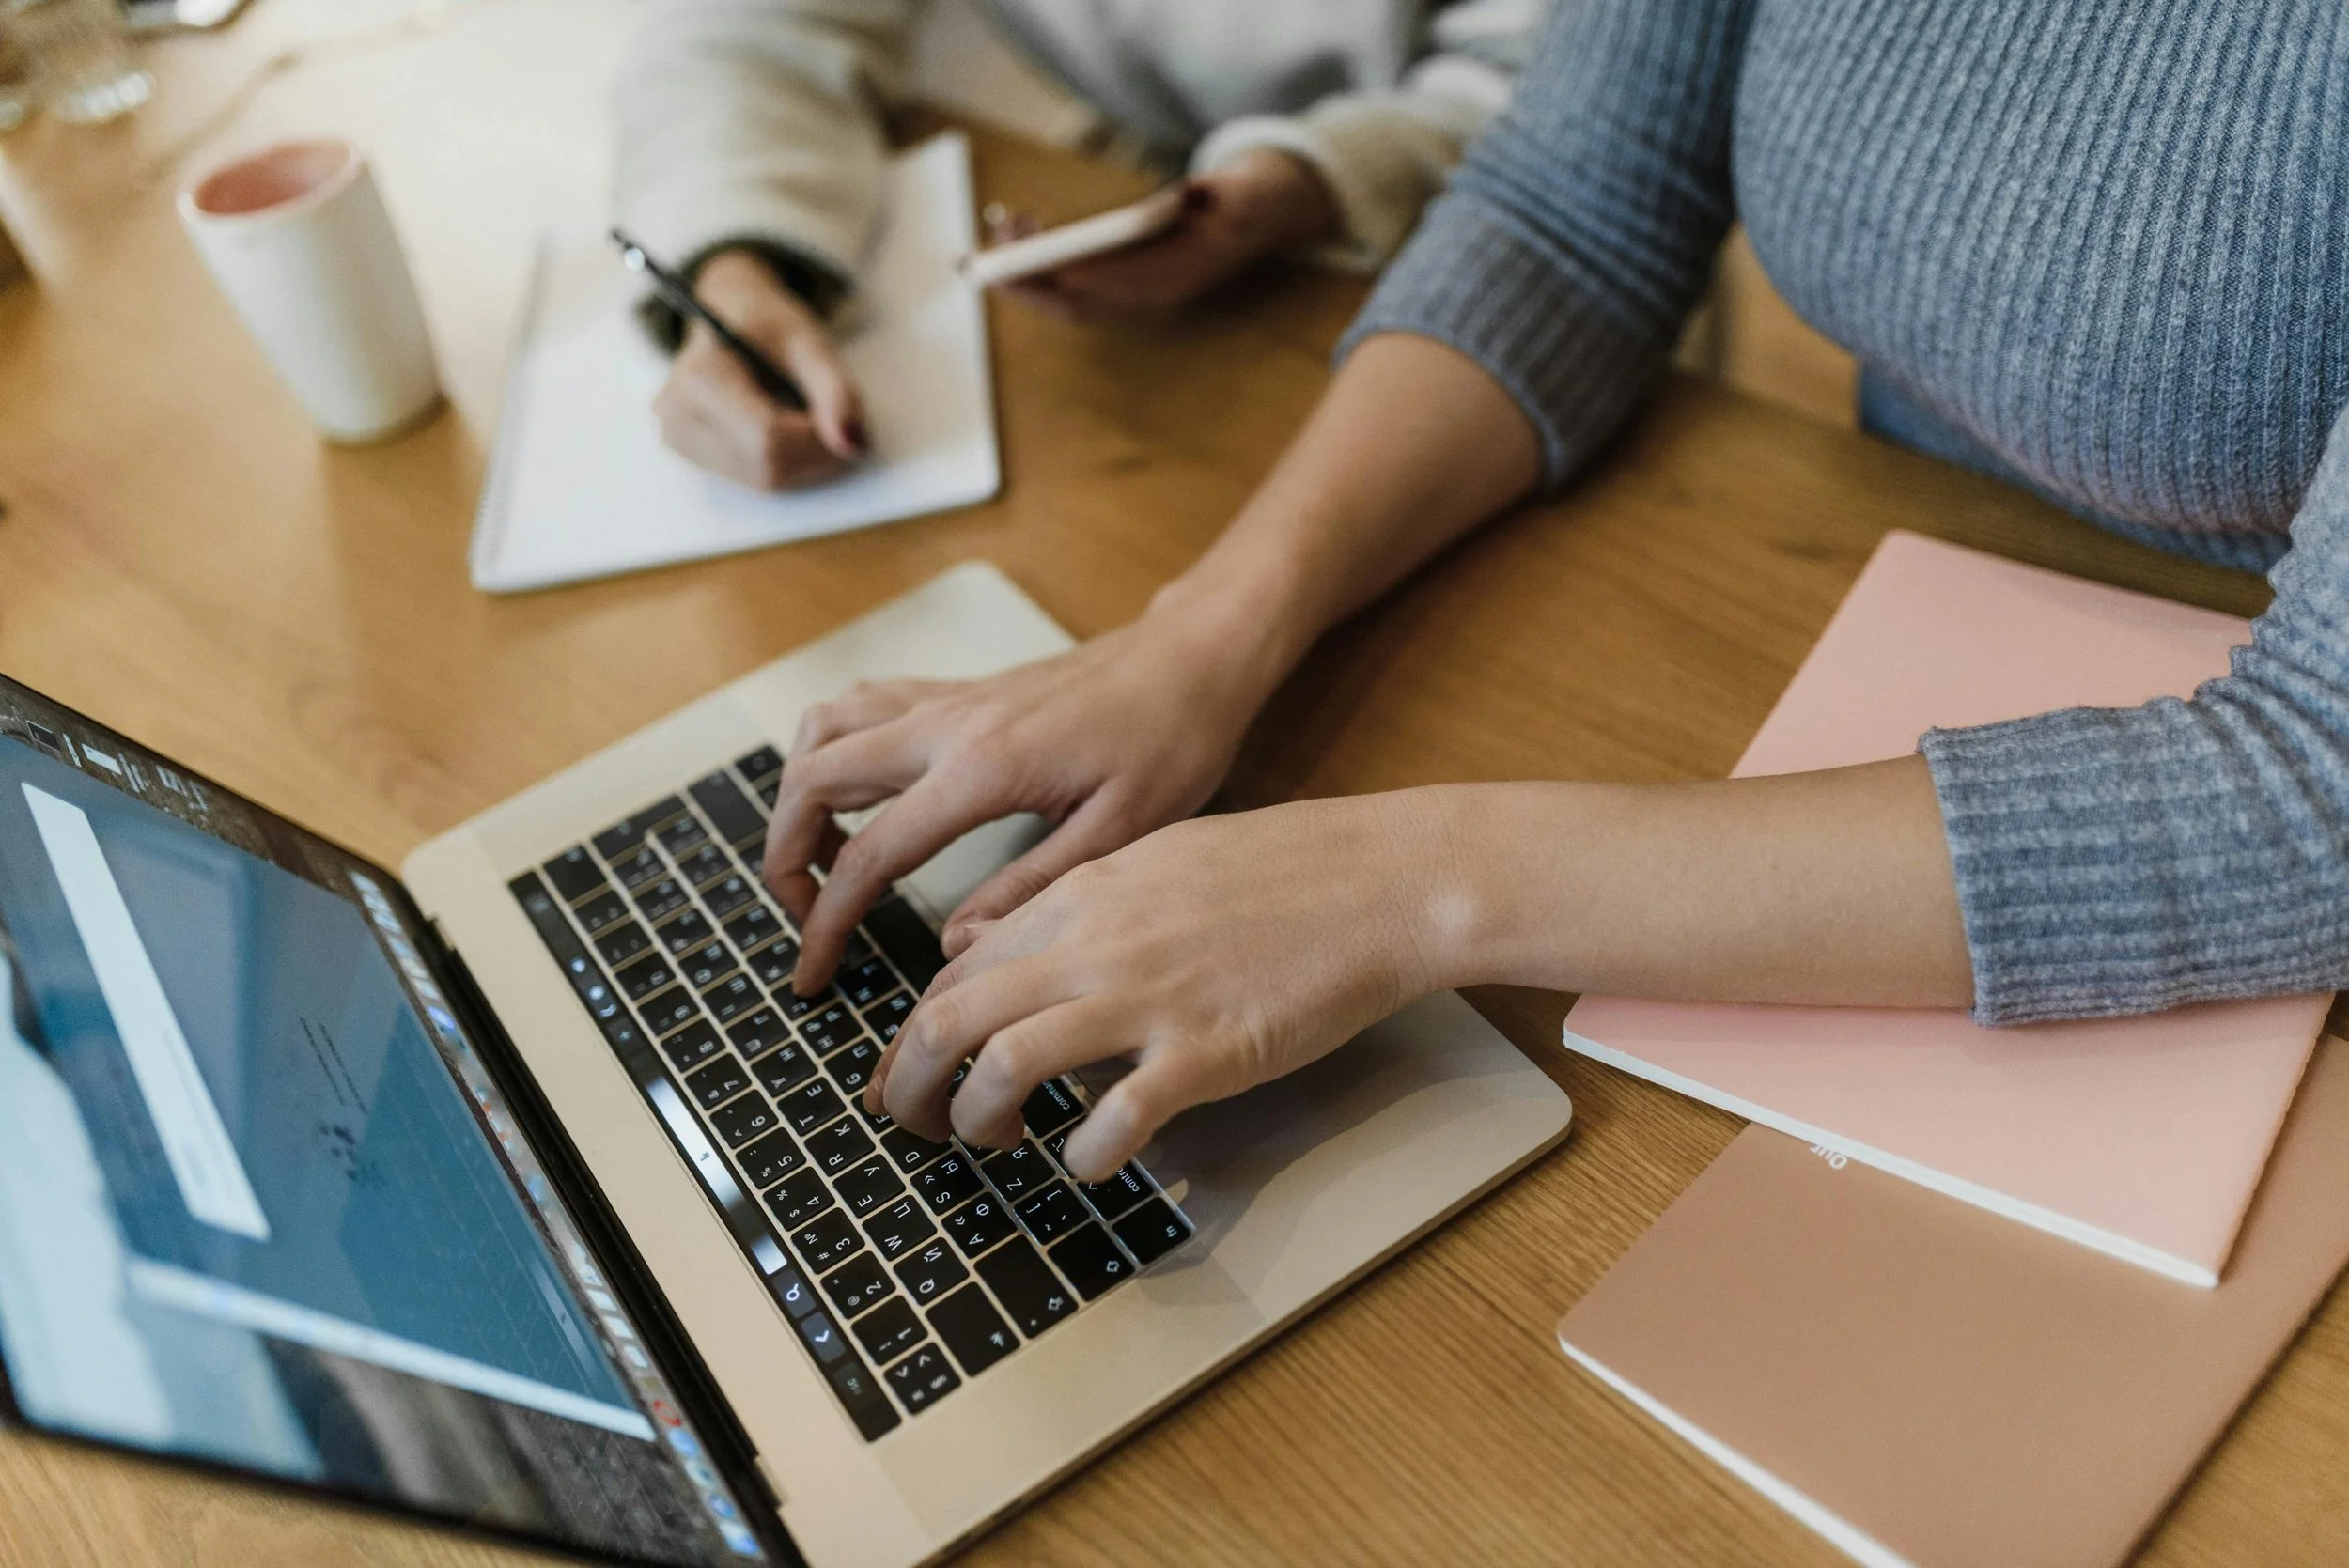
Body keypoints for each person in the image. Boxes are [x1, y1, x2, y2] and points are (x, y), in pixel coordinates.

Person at [762, 0, 2349, 1185]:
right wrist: (1205, 629)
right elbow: (1578, 204)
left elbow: (2319, 796)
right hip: (1886, 579)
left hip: (2223, 884)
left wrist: (1412, 880)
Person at [612, 0, 1549, 491]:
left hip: (1504, 234)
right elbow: (737, 24)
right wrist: (734, 262)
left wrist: (1304, 182)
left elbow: (1578, 87)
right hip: (1190, 277)